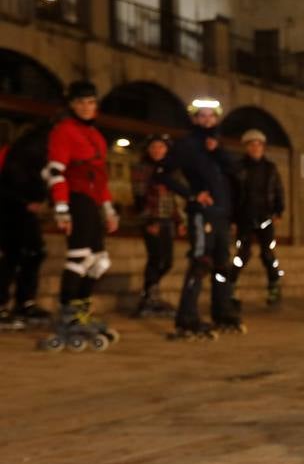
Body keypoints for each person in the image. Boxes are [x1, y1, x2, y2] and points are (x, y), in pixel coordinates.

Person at [38, 80, 119, 350]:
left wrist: (108, 209)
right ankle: (67, 311)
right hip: (75, 198)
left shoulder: (95, 135)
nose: (86, 107)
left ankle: (80, 308)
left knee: (100, 261)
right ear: (71, 105)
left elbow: (101, 177)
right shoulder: (63, 131)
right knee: (79, 257)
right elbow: (55, 172)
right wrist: (61, 208)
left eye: (91, 102)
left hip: (92, 201)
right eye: (81, 102)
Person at [156, 99, 243, 338]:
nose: (206, 120)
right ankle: (187, 317)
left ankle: (222, 311)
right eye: (201, 116)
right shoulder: (186, 145)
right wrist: (192, 195)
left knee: (222, 264)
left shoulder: (217, 146)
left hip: (222, 215)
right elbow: (162, 173)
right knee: (200, 262)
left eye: (210, 116)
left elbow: (235, 174)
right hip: (202, 214)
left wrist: (218, 151)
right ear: (194, 119)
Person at [0, 122, 52, 328]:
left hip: (20, 208)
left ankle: (25, 301)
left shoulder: (19, 153)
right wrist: (27, 200)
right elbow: (12, 180)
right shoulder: (19, 153)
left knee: (32, 252)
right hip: (10, 209)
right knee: (10, 256)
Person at [230, 129, 285, 305]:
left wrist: (279, 211)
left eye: (258, 144)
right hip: (244, 217)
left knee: (268, 253)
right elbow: (232, 194)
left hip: (266, 217)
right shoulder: (238, 168)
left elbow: (278, 190)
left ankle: (274, 286)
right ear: (246, 147)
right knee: (242, 254)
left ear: (263, 147)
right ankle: (230, 287)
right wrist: (231, 219)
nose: (255, 148)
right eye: (251, 144)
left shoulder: (270, 168)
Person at [131, 136, 180, 318]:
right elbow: (139, 196)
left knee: (167, 260)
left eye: (161, 147)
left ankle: (150, 291)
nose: (157, 150)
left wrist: (179, 221)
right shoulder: (142, 169)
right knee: (155, 257)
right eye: (154, 147)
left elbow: (173, 199)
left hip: (167, 220)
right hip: (152, 219)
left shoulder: (170, 171)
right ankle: (150, 295)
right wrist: (149, 220)